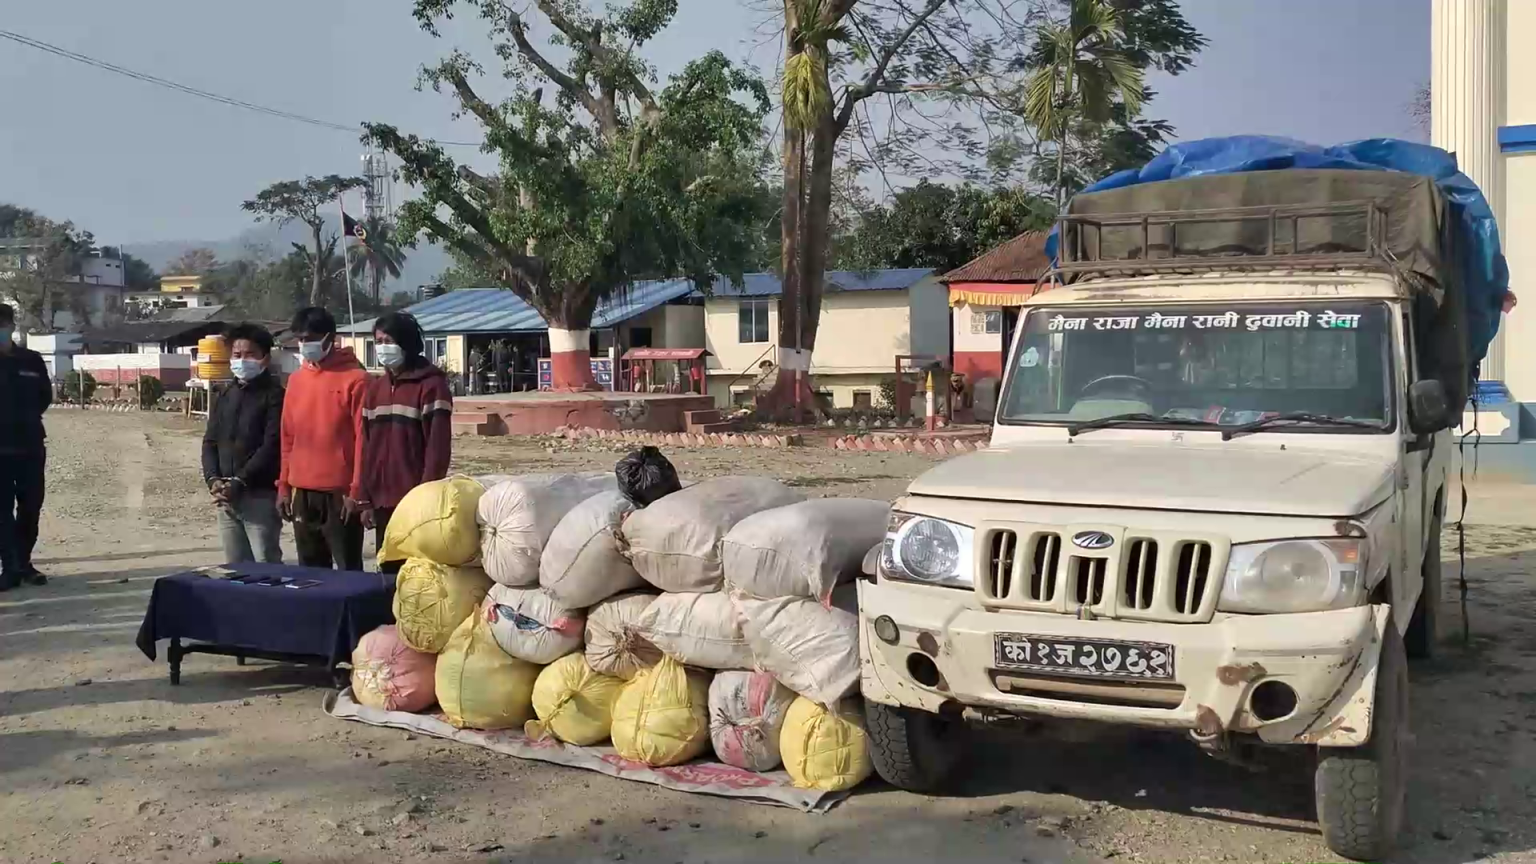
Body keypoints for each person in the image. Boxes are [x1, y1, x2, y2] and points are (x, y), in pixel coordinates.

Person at [357, 312, 454, 573]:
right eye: (378, 341)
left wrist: (424, 497)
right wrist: (365, 498)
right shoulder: (375, 389)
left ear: (406, 343)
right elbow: (366, 446)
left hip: (413, 501)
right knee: (387, 571)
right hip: (381, 501)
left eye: (388, 341)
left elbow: (437, 449)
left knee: (416, 573)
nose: (382, 347)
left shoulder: (432, 386)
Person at [278, 307, 370, 571]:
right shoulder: (296, 380)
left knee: (348, 571)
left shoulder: (357, 380)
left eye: (310, 338)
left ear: (330, 337)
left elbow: (364, 440)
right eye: (300, 339)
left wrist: (356, 491)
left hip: (340, 494)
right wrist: (283, 486)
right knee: (310, 573)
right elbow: (288, 437)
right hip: (302, 492)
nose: (304, 344)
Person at [202, 323, 285, 564]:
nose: (242, 360)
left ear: (265, 358)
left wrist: (240, 481)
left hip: (259, 496)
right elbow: (210, 441)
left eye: (250, 354)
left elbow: (271, 445)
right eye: (237, 355)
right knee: (236, 569)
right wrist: (213, 479)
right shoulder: (225, 394)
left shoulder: (275, 396)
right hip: (226, 498)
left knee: (266, 566)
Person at [0, 303, 50, 591]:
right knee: (2, 512)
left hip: (30, 446)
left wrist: (25, 419)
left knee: (31, 507)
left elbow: (45, 397)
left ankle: (24, 562)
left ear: (11, 327)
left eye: (3, 325)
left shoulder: (31, 360)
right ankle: (10, 568)